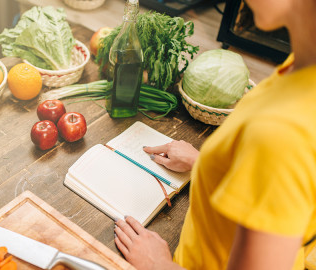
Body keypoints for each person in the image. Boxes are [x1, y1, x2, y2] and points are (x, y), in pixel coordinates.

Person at [113, 0, 316, 269]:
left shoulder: (283, 133)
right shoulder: (301, 67)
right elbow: (282, 189)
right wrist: (209, 164)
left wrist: (159, 266)